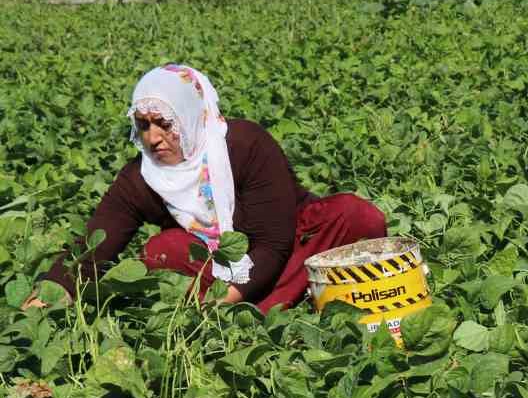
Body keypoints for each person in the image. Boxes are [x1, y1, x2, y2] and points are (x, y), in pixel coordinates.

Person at [28, 64, 386, 311]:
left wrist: (223, 301)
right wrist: (49, 294)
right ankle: (301, 298)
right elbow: (95, 245)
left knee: (356, 217)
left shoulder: (245, 144)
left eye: (164, 123)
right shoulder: (140, 178)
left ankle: (267, 305)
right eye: (143, 125)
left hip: (288, 251)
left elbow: (274, 244)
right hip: (217, 272)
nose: (153, 138)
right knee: (162, 251)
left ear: (189, 115)